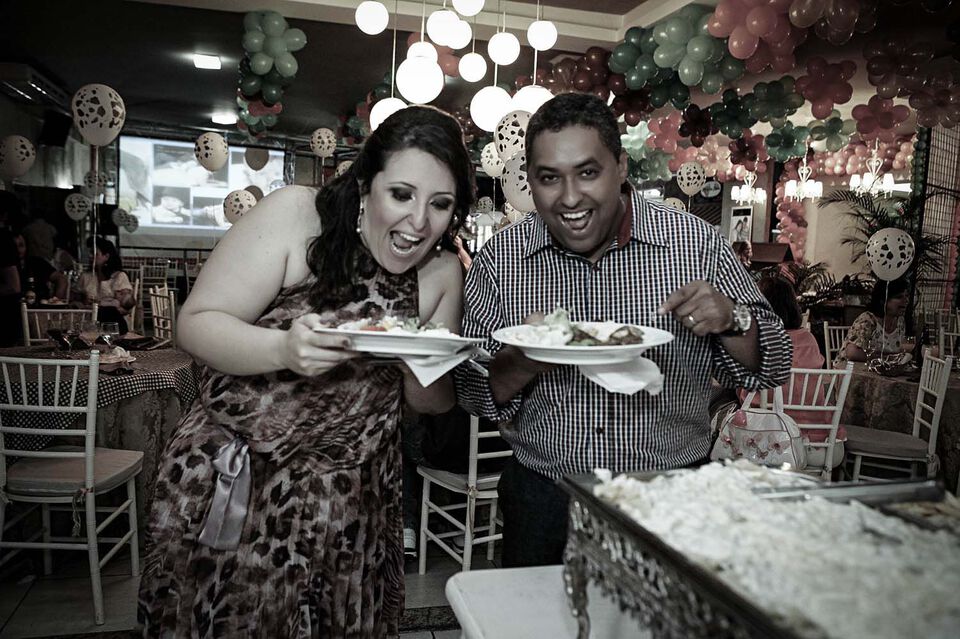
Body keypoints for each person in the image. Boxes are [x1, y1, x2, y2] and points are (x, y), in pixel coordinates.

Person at [138, 106, 472, 637]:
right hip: (242, 483)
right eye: (401, 194)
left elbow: (432, 403)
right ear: (365, 183)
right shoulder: (298, 215)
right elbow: (196, 324)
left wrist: (422, 361)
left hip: (357, 500)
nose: (418, 223)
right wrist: (283, 350)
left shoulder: (443, 271)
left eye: (440, 204)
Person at [456, 93, 791, 568]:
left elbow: (775, 364)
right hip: (546, 497)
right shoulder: (502, 258)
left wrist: (732, 318)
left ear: (621, 167)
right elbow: (472, 393)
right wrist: (526, 355)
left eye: (588, 172)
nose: (569, 197)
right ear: (530, 179)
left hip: (671, 493)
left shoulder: (695, 244)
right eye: (549, 178)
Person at [836, 277, 911, 366]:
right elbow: (852, 353)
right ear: (883, 300)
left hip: (878, 370)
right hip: (848, 370)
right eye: (899, 297)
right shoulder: (868, 320)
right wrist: (887, 358)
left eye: (906, 296)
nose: (906, 300)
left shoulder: (900, 322)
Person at [75, 237, 135, 334]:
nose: (90, 256)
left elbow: (127, 307)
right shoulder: (85, 276)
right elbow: (75, 300)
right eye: (90, 253)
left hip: (113, 324)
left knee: (109, 312)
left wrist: (109, 306)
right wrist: (83, 304)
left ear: (106, 256)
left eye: (95, 253)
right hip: (87, 321)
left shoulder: (119, 277)